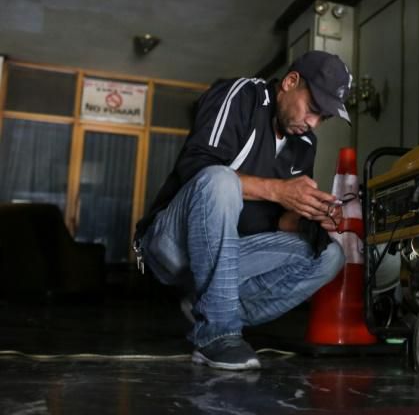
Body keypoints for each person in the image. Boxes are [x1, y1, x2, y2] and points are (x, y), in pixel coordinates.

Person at [133, 51, 352, 371]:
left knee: (330, 256)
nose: (313, 123)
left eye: (323, 118)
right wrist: (279, 190)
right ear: (290, 82)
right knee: (220, 180)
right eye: (313, 109)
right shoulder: (242, 96)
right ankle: (216, 334)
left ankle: (205, 305)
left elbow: (278, 226)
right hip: (171, 245)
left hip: (227, 256)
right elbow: (197, 171)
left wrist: (306, 214)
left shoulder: (304, 143)